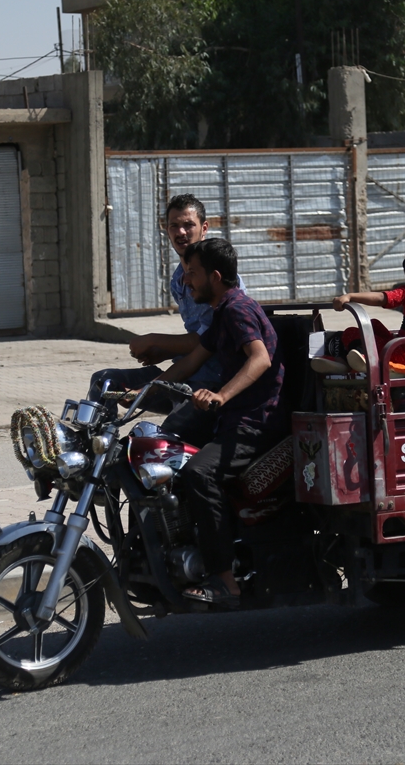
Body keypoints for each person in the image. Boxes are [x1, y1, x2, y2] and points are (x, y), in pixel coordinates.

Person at [153, 238, 284, 606]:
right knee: (163, 446)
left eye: (192, 273)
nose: (187, 281)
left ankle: (225, 581)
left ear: (214, 275)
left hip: (256, 419)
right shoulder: (220, 311)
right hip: (233, 416)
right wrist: (146, 392)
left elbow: (259, 359)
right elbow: (192, 360)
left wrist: (221, 395)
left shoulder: (237, 309)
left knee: (199, 473)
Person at [88, 194, 241, 440]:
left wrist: (153, 340)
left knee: (157, 441)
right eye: (173, 226)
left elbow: (210, 340)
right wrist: (163, 352)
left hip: (210, 387)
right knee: (104, 381)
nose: (180, 232)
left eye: (188, 225)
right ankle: (96, 448)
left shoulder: (217, 277)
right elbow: (196, 340)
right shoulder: (179, 279)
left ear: (204, 228)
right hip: (183, 377)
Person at [322, 240, 405, 373]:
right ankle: (352, 359)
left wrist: (349, 296)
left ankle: (358, 360)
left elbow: (380, 298)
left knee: (352, 332)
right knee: (373, 324)